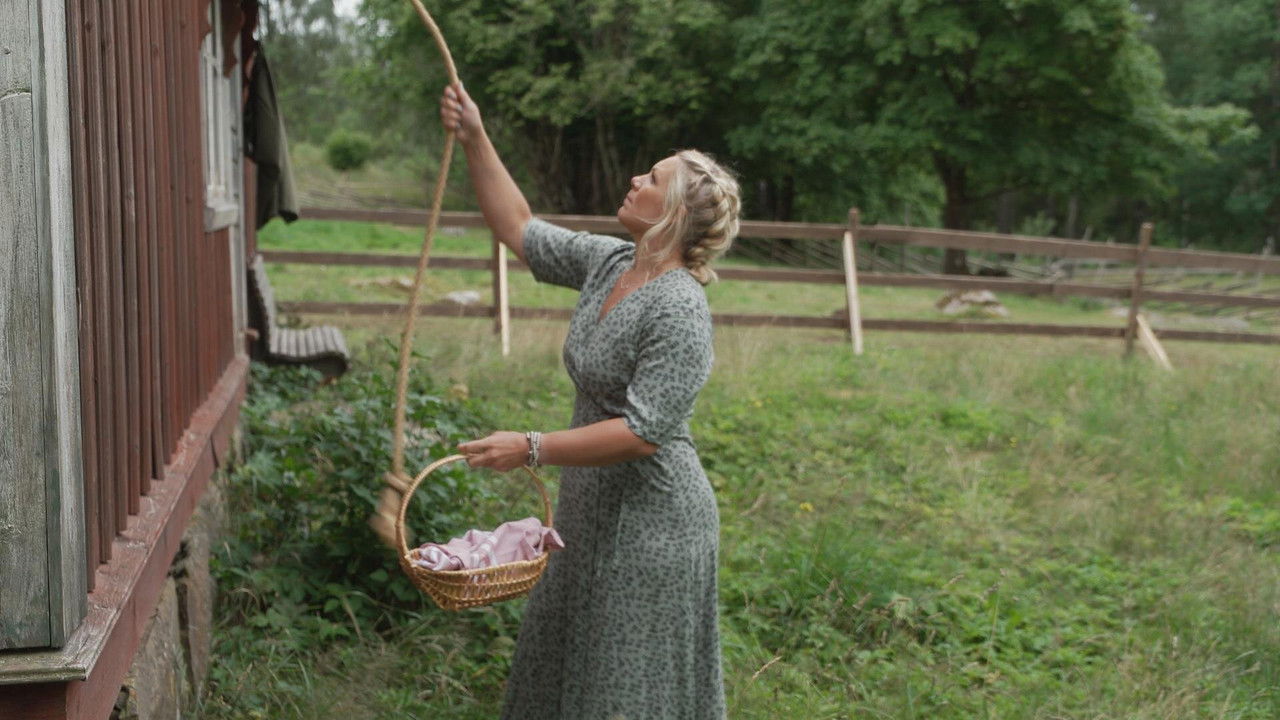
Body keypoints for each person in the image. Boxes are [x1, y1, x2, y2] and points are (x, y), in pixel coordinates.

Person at [442, 81, 740, 720]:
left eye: (653, 179)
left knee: (625, 687)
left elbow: (641, 433)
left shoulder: (680, 307)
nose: (635, 180)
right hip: (588, 511)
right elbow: (519, 228)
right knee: (568, 663)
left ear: (674, 214)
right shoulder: (611, 263)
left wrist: (531, 447)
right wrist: (475, 136)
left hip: (653, 525)